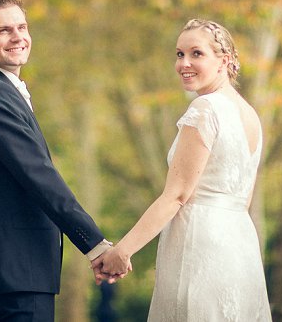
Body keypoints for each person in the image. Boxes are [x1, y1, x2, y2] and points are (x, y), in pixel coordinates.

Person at [93, 19, 272, 321]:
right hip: (240, 247)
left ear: (224, 61)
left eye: (196, 54)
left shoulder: (206, 109)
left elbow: (176, 195)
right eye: (179, 54)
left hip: (200, 246)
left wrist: (122, 251)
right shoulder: (249, 115)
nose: (183, 63)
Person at [0, 0, 120, 321]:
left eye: (22, 27)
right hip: (10, 277)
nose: (17, 37)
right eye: (4, 30)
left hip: (2, 276)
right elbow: (40, 178)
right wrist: (96, 245)